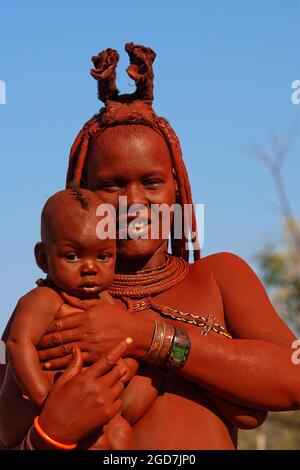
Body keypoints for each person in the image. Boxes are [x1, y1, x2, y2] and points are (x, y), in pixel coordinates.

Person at [1, 43, 299, 450]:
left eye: (152, 182)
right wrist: (51, 433)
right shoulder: (50, 305)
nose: (133, 201)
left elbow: (293, 378)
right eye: (112, 185)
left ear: (177, 190)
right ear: (82, 194)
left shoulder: (217, 278)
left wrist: (145, 336)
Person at [1, 187, 161, 450]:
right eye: (72, 256)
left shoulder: (106, 301)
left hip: (92, 406)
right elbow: (18, 345)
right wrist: (47, 399)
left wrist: (128, 366)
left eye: (103, 256)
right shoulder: (44, 299)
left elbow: (129, 342)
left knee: (120, 433)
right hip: (41, 412)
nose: (90, 268)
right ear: (43, 258)